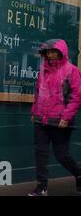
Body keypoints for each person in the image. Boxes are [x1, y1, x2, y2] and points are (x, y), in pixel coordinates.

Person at [29, 39, 81, 196]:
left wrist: (67, 116)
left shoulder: (71, 70)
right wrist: (34, 112)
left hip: (60, 121)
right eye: (47, 52)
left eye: (53, 51)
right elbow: (38, 92)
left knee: (62, 155)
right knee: (40, 153)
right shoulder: (43, 70)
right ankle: (42, 186)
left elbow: (76, 96)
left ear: (61, 52)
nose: (50, 55)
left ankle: (79, 174)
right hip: (41, 120)